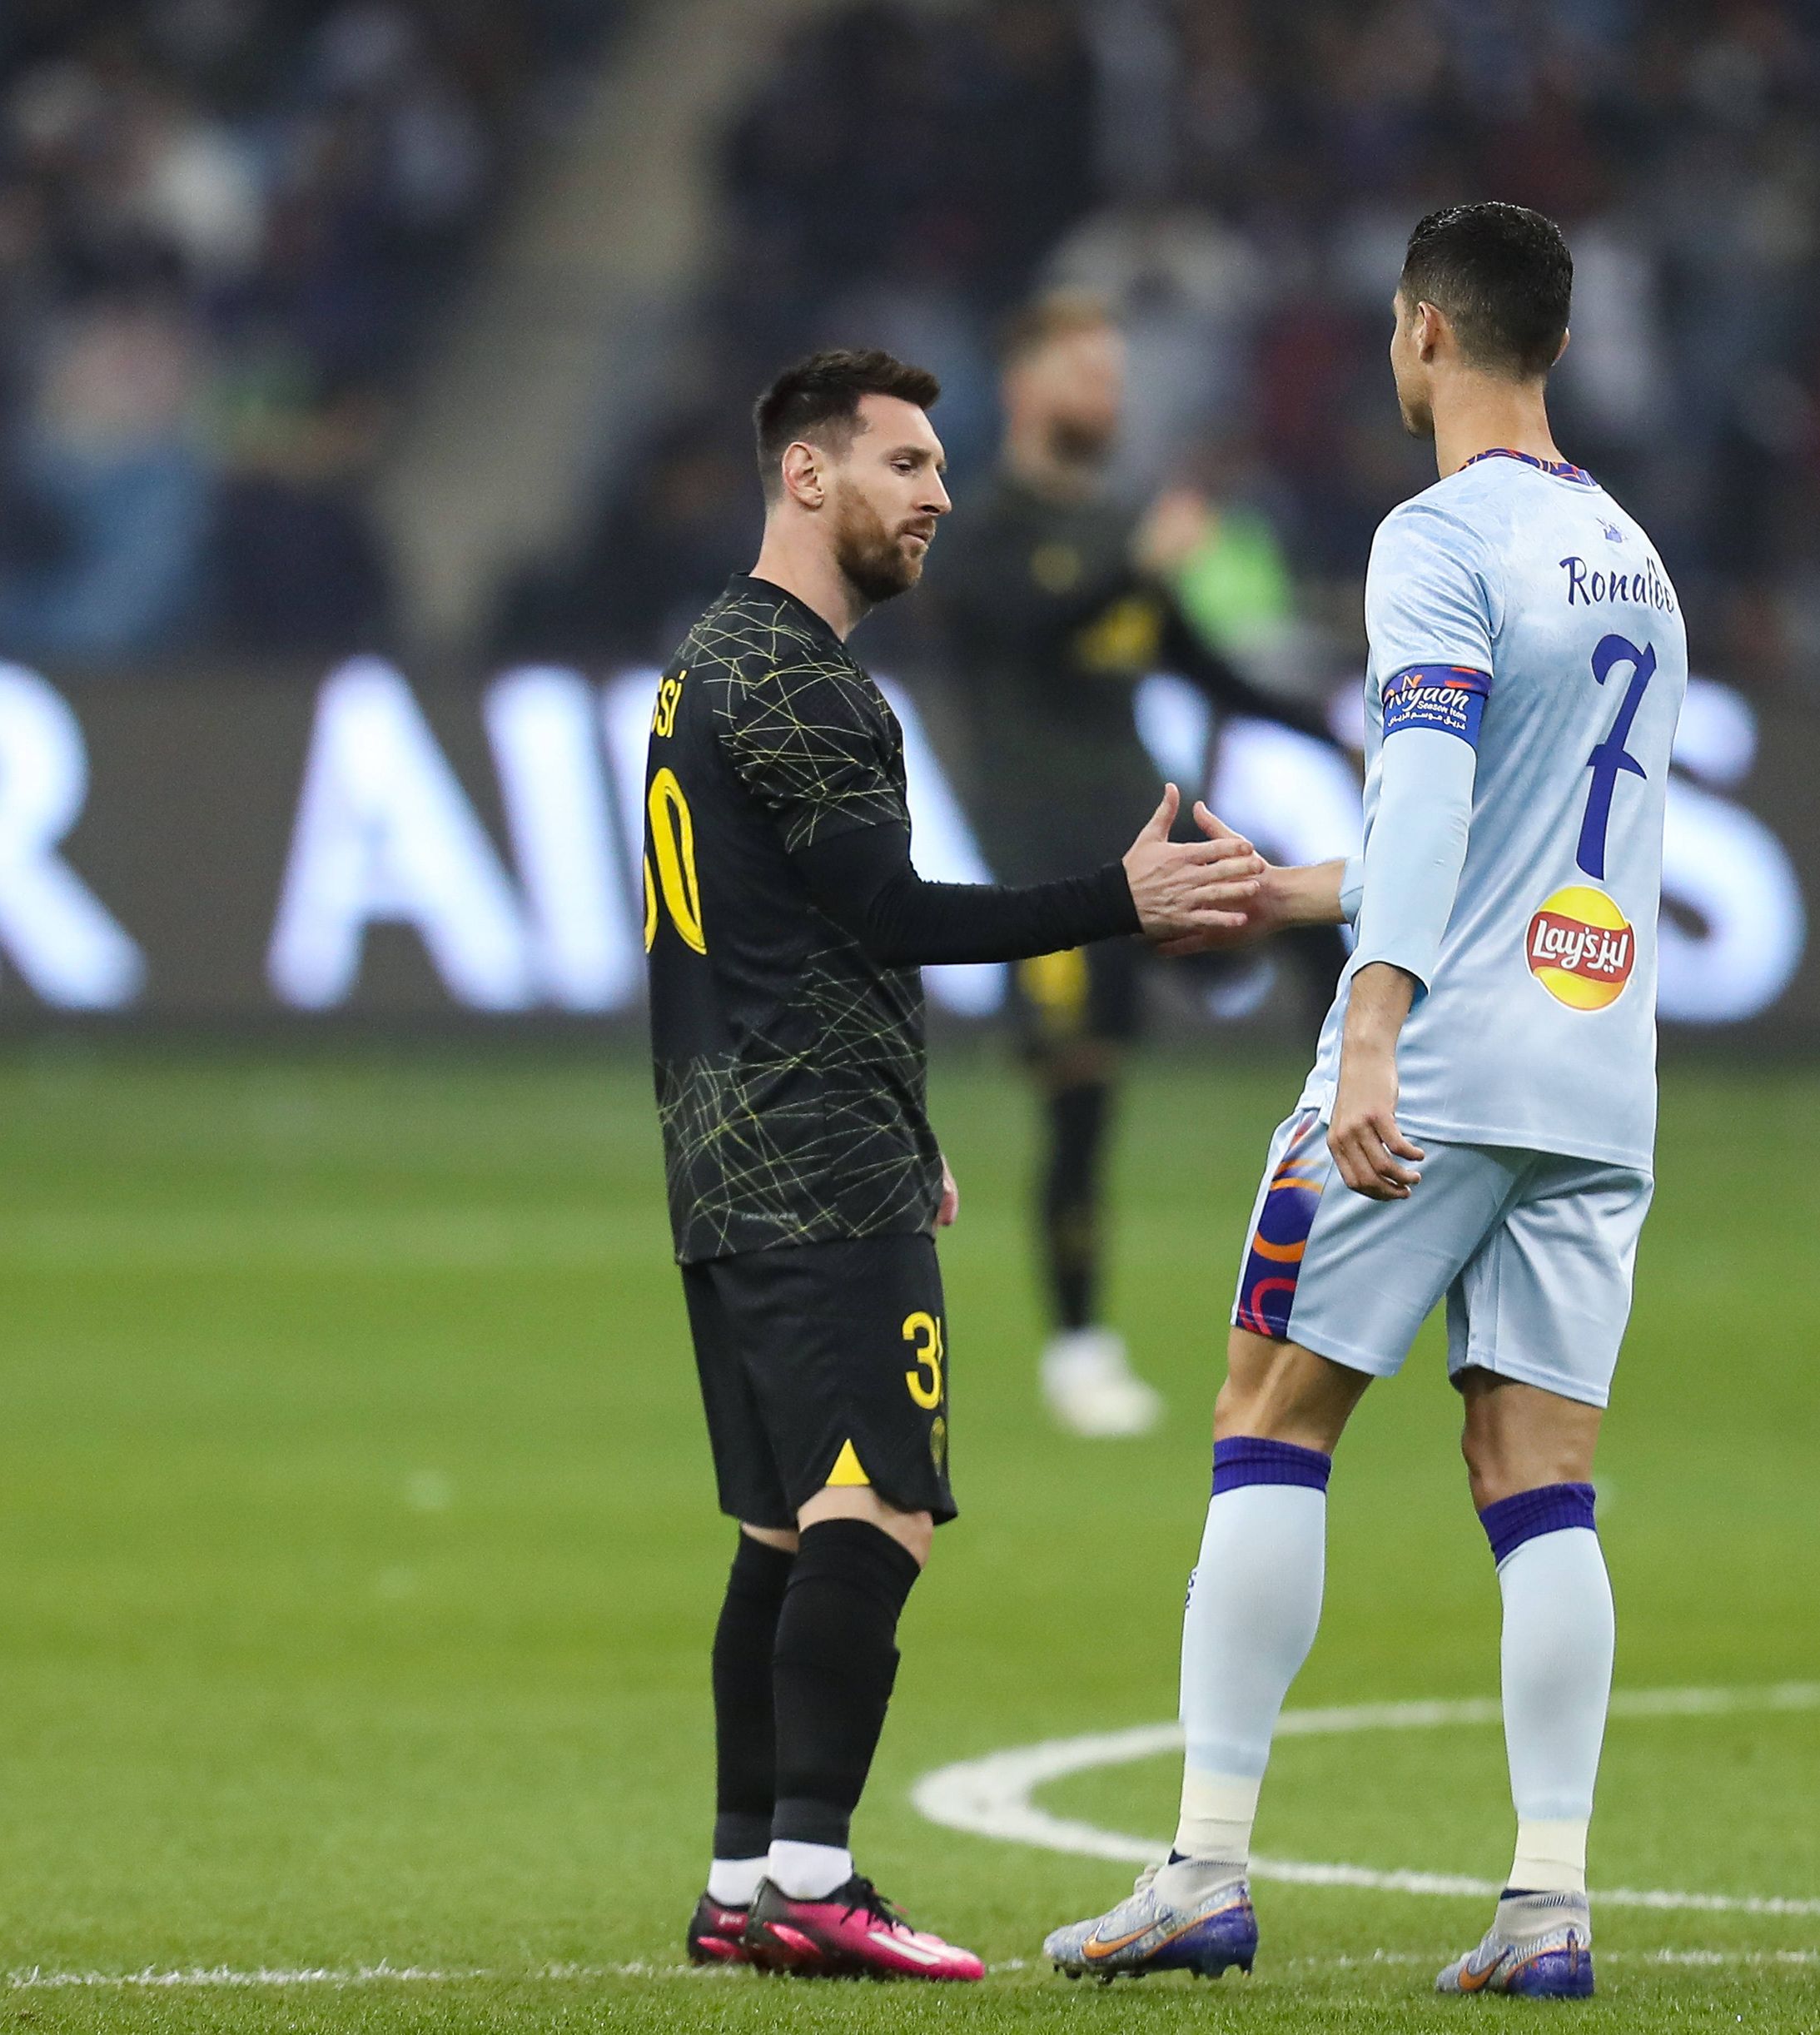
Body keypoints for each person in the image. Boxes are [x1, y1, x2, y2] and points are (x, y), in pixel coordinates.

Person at [1037, 202, 1682, 1999]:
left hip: (1441, 1052)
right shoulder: (1627, 552)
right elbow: (1532, 823)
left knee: (1268, 1412)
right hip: (1594, 1062)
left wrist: (1372, 1020)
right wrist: (1294, 891)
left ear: (1420, 332)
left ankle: (1200, 1869)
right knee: (1536, 1475)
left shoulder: (1434, 533)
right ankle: (1547, 1900)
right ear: (1547, 340)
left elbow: (1425, 790)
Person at [651, 348, 1266, 1980]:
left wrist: (904, 1116)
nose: (935, 496)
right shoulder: (802, 684)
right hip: (808, 1163)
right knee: (884, 1508)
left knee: (782, 1532)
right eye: (906, 465)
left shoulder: (708, 662)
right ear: (806, 474)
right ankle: (812, 1878)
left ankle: (737, 1881)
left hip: (733, 1151)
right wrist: (1113, 899)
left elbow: (802, 940)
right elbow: (895, 916)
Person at [935, 294, 1320, 1439]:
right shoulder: (984, 527)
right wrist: (1138, 570)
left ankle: (1356, 1179)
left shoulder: (1117, 528)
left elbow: (1204, 669)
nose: (1105, 396)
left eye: (1113, 377)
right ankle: (1078, 1350)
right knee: (1083, 1102)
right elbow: (1024, 630)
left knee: (1310, 917)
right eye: (1085, 374)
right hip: (1049, 869)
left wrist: (1348, 726)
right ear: (1025, 385)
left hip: (1147, 828)